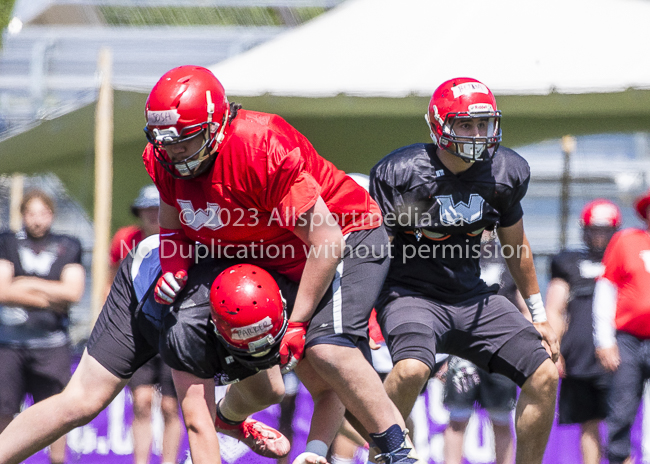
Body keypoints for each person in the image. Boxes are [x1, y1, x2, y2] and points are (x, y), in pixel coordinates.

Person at [142, 65, 415, 463]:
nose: (176, 153)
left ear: (217, 124)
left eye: (187, 140)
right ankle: (237, 422)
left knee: (328, 350)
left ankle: (398, 450)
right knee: (260, 363)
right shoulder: (164, 157)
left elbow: (327, 240)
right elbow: (172, 228)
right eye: (167, 142)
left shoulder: (260, 146)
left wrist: (300, 322)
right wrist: (174, 265)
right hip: (270, 253)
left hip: (344, 236)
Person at [369, 77, 559, 464]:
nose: (477, 134)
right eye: (465, 124)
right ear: (439, 125)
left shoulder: (505, 170)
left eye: (483, 124)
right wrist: (362, 314)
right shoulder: (400, 173)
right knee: (409, 370)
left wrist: (538, 314)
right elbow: (373, 251)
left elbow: (515, 245)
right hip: (410, 295)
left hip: (472, 297)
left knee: (545, 375)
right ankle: (382, 457)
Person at [0, 235, 297, 464]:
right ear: (217, 330)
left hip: (227, 283)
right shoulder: (189, 330)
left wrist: (317, 447)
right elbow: (198, 426)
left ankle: (229, 419)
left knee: (268, 391)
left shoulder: (289, 284)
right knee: (82, 402)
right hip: (144, 289)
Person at [0, 189, 85, 464]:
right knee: (3, 410)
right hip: (9, 345)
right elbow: (1, 291)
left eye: (42, 213)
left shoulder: (69, 244)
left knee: (56, 412)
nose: (37, 220)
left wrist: (25, 282)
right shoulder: (6, 242)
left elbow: (73, 293)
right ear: (22, 215)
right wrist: (52, 297)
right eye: (31, 213)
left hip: (52, 345)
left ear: (51, 215)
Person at [108, 184, 182, 464]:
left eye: (157, 208)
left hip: (174, 330)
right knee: (141, 402)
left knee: (170, 405)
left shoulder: (181, 239)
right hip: (136, 330)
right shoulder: (125, 239)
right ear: (138, 212)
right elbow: (112, 280)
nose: (152, 214)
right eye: (146, 209)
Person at [546, 199, 621, 464]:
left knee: (621, 419)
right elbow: (555, 309)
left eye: (605, 230)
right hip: (580, 356)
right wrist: (555, 350)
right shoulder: (568, 262)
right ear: (584, 229)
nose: (599, 235)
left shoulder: (624, 261)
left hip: (621, 354)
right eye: (594, 229)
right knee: (588, 423)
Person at [443, 234, 521, 464]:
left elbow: (523, 306)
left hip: (501, 352)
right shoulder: (456, 256)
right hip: (463, 352)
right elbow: (445, 309)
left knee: (501, 419)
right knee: (457, 418)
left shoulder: (510, 257)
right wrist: (442, 355)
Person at [592, 189, 650, 464]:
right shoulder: (626, 241)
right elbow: (606, 289)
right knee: (622, 408)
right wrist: (604, 340)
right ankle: (618, 458)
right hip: (628, 339)